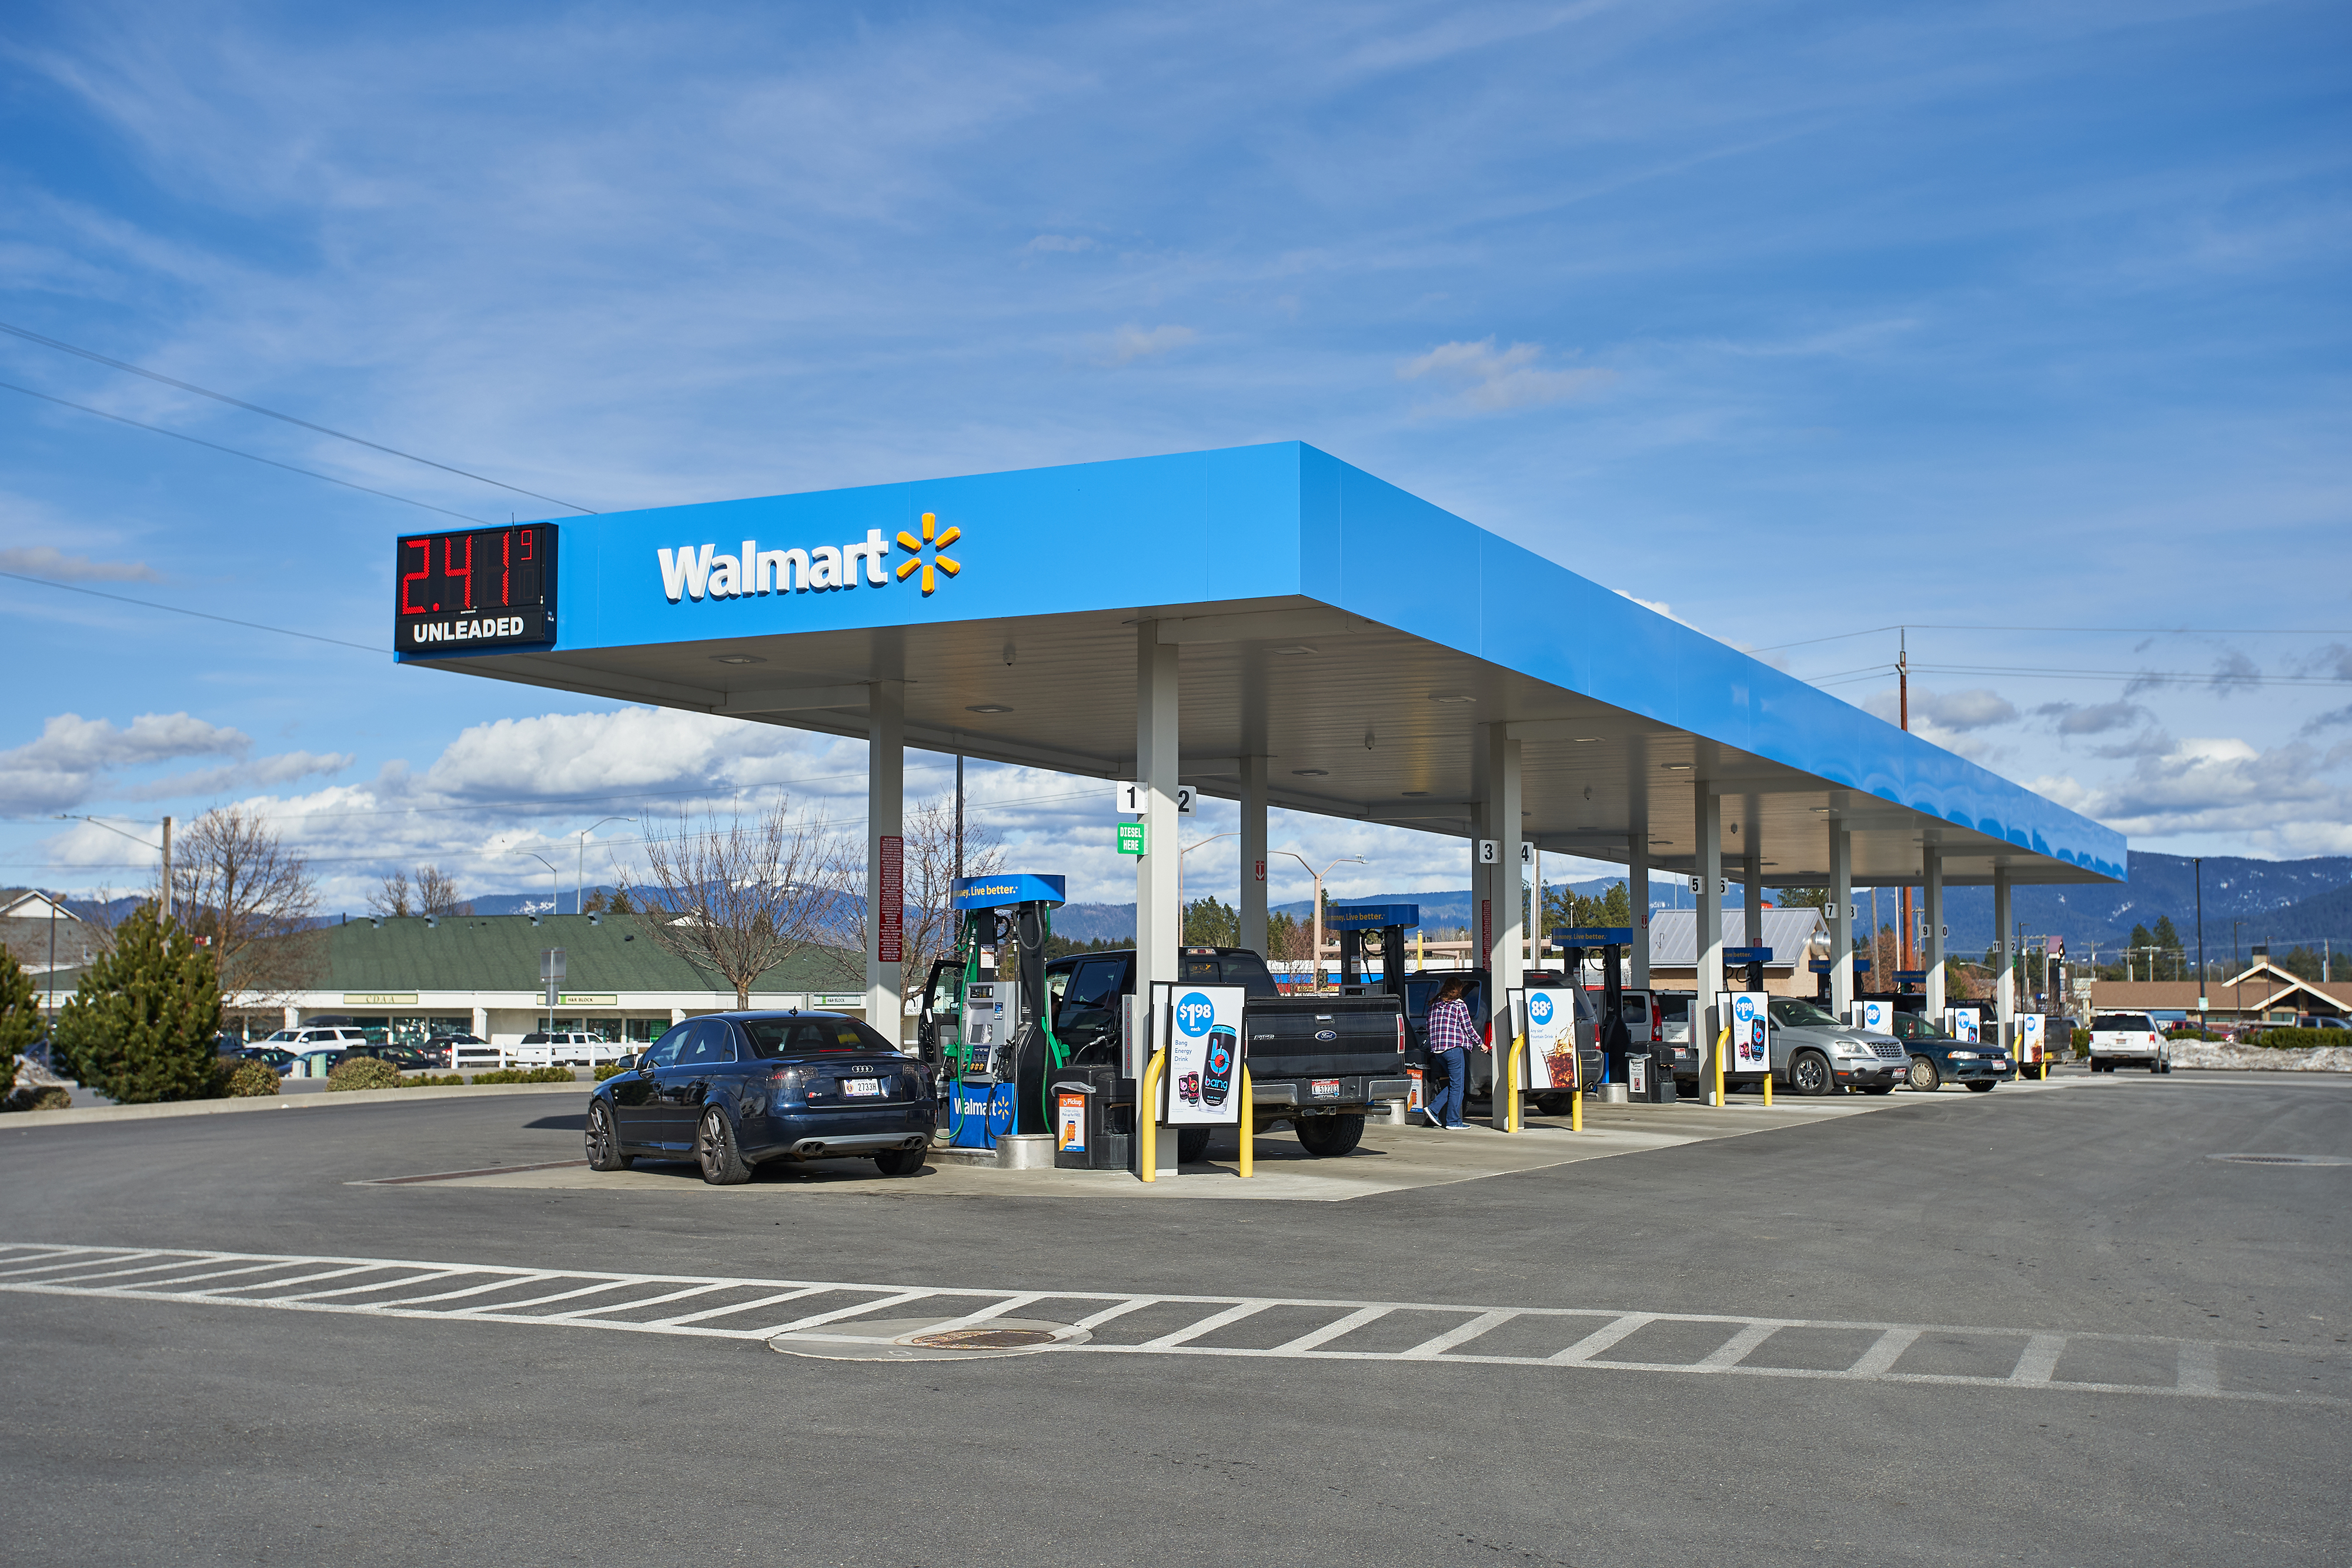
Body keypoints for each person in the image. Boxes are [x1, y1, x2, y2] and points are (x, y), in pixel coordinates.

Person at [1421, 978, 1481, 1129]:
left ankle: (1434, 1109)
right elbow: (1468, 1028)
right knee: (1458, 1086)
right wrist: (1481, 1044)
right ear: (1458, 989)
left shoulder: (1434, 1004)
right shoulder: (1459, 1005)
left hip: (1438, 1050)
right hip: (1453, 1049)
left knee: (1455, 1083)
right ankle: (1453, 1121)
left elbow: (1429, 1027)